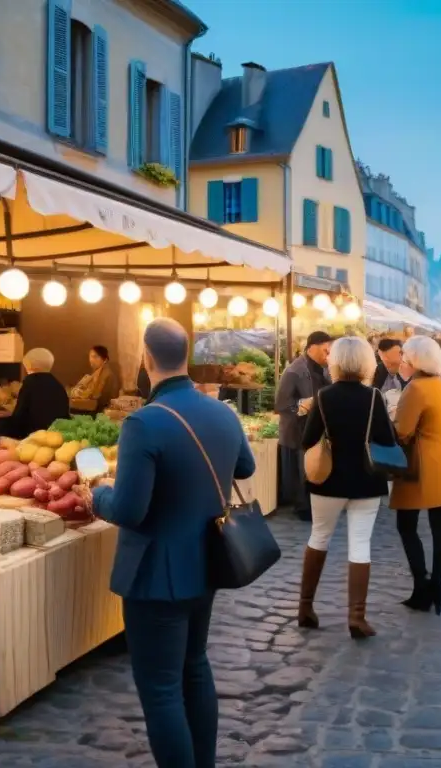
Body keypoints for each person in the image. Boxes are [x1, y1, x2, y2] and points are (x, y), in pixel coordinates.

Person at [88, 319, 255, 768]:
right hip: (207, 563)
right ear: (187, 355)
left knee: (161, 690)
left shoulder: (144, 422)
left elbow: (129, 510)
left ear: (146, 358)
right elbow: (245, 467)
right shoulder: (221, 411)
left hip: (155, 574)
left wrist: (95, 494)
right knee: (195, 667)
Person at [298, 337, 396, 639]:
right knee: (360, 543)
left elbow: (307, 439)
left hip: (327, 479)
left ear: (335, 361)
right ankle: (357, 616)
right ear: (367, 362)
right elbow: (388, 440)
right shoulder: (374, 397)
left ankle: (305, 607)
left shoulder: (324, 396)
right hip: (366, 480)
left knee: (319, 536)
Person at [390, 336, 441, 614]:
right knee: (440, 528)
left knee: (407, 525)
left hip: (419, 466)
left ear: (415, 361)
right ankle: (437, 583)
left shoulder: (416, 389)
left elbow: (402, 431)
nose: (403, 363)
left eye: (406, 358)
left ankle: (422, 584)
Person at [274, 331, 332, 521]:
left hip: (315, 428)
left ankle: (313, 504)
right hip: (297, 430)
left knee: (312, 468)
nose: (328, 354)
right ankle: (303, 507)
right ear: (313, 347)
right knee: (301, 471)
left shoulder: (323, 368)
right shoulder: (294, 370)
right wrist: (302, 405)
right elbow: (281, 404)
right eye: (326, 350)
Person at [7, 348, 70, 439]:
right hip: (56, 436)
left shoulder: (30, 383)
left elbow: (20, 414)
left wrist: (10, 436)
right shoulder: (58, 385)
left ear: (30, 365)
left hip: (34, 437)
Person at [70, 345, 119, 413]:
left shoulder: (109, 376)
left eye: (95, 357)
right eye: (90, 356)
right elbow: (78, 389)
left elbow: (105, 400)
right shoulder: (92, 375)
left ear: (105, 360)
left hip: (100, 412)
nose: (91, 360)